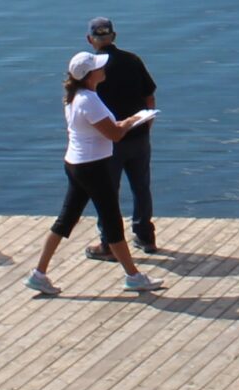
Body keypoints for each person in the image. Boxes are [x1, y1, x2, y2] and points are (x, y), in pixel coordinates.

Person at [26, 53, 163, 296]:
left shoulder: (75, 97)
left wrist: (124, 122)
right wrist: (136, 119)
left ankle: (39, 273)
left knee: (65, 220)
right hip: (93, 168)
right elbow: (115, 134)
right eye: (98, 68)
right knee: (112, 223)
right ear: (89, 76)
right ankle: (133, 276)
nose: (103, 69)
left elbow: (105, 128)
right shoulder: (89, 100)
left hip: (75, 164)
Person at [85, 17, 159, 255]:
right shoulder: (132, 60)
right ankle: (145, 237)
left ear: (90, 39)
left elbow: (87, 106)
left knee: (107, 193)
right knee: (141, 187)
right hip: (138, 135)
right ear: (114, 36)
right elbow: (149, 97)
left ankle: (108, 243)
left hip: (108, 141)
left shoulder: (92, 70)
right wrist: (146, 127)